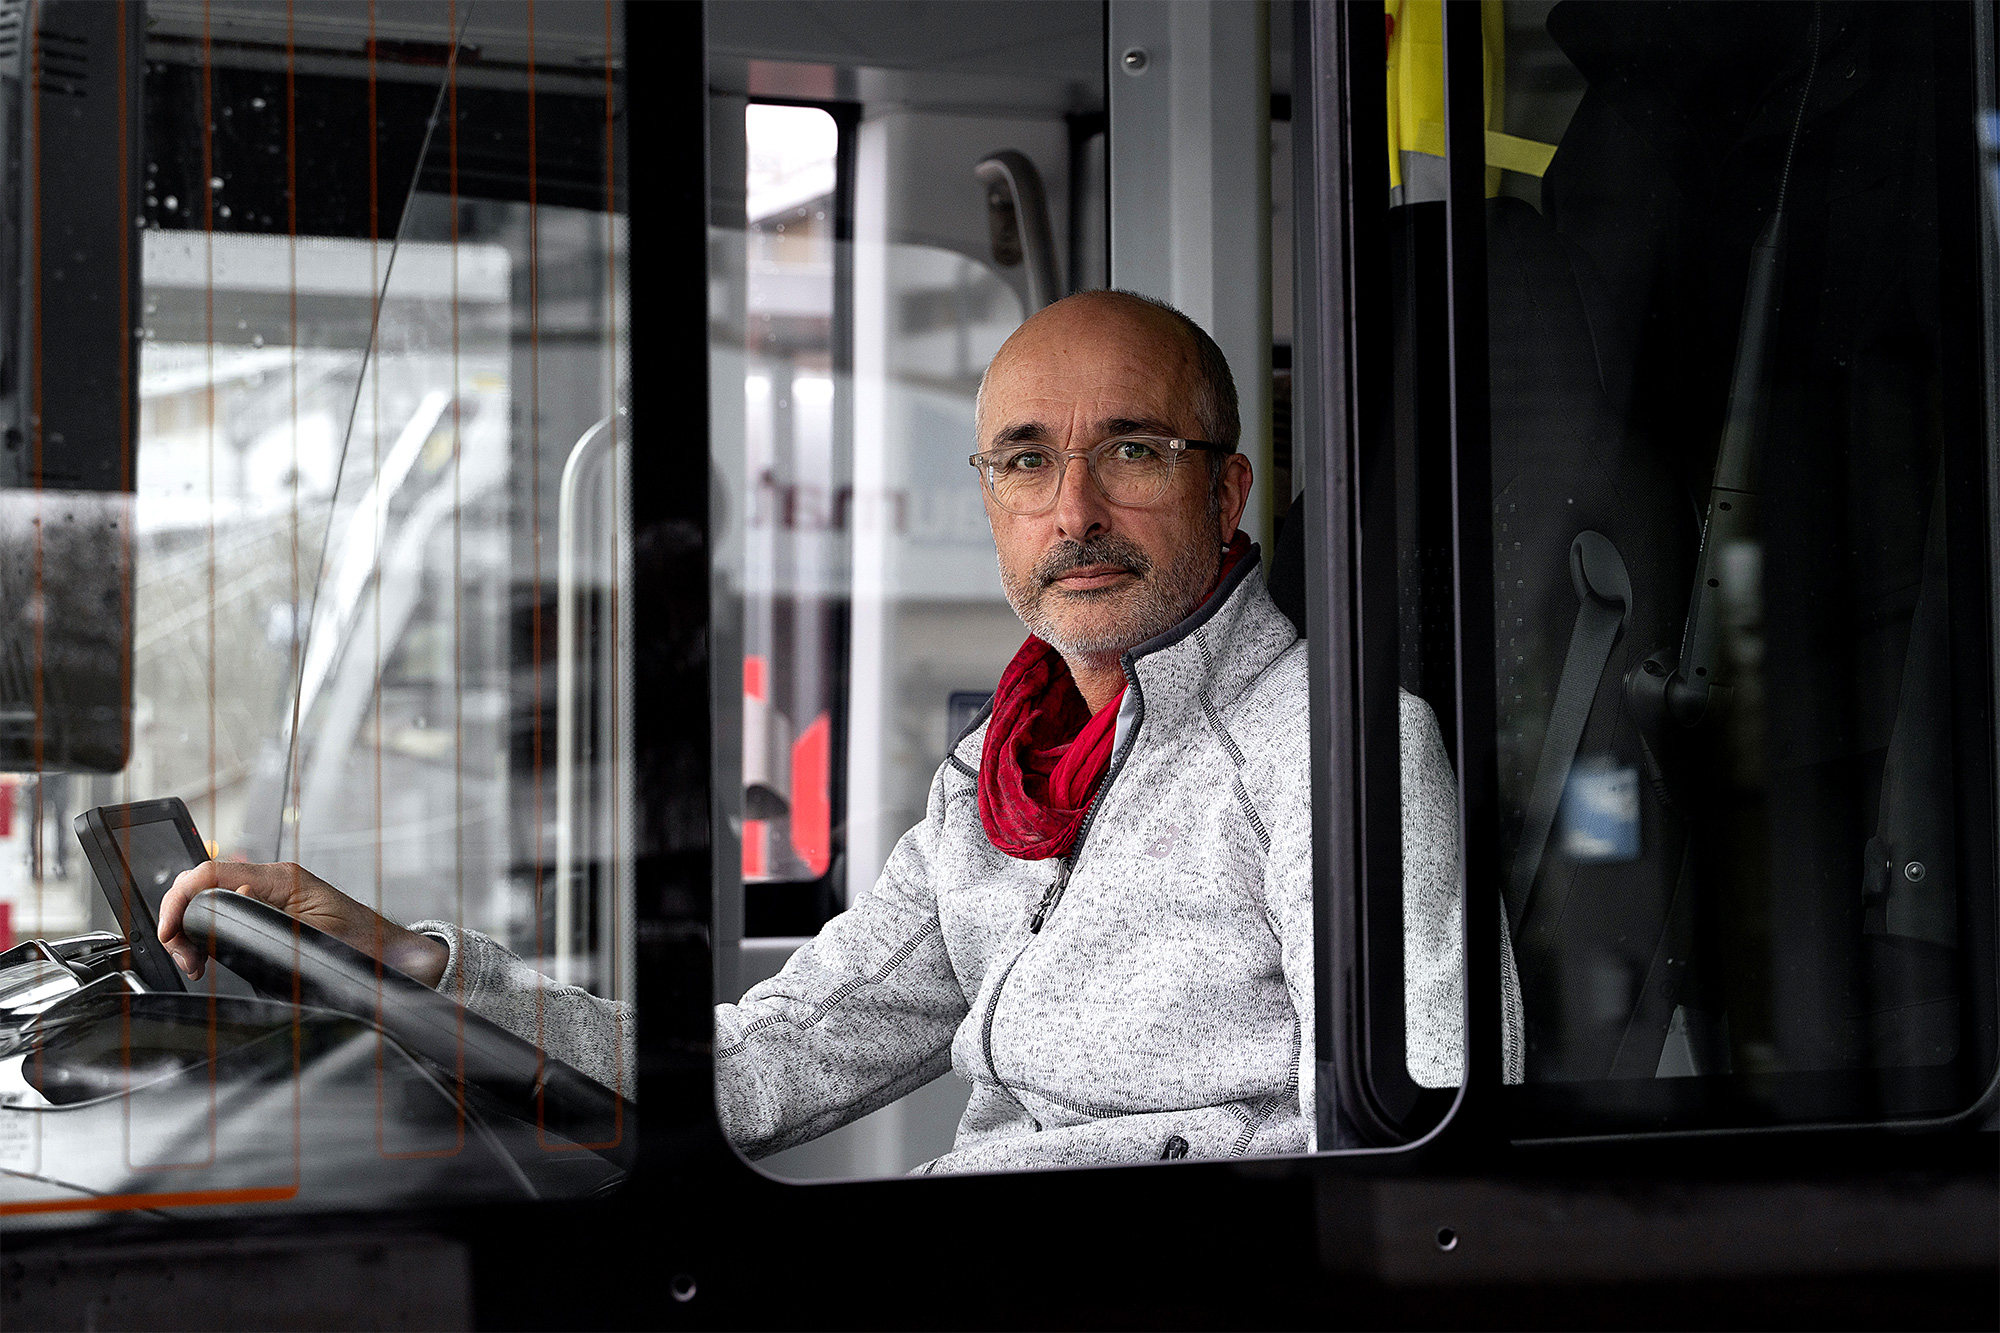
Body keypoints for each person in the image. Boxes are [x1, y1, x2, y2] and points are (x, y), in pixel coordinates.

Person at [158, 289, 1517, 1173]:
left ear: (1226, 490)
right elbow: (764, 1065)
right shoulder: (997, 773)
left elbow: (1429, 1145)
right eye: (1030, 459)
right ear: (991, 498)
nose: (1075, 511)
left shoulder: (1334, 753)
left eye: (1134, 450)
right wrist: (416, 968)